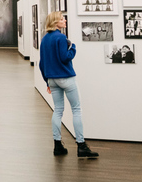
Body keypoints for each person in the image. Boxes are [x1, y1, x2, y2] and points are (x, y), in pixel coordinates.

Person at [39, 12, 99, 158]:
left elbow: (42, 63)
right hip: (66, 78)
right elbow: (65, 57)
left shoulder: (45, 39)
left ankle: (57, 146)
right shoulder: (61, 37)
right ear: (55, 22)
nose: (64, 20)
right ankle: (81, 145)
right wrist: (73, 47)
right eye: (61, 19)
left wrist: (47, 81)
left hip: (52, 79)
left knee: (58, 110)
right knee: (76, 110)